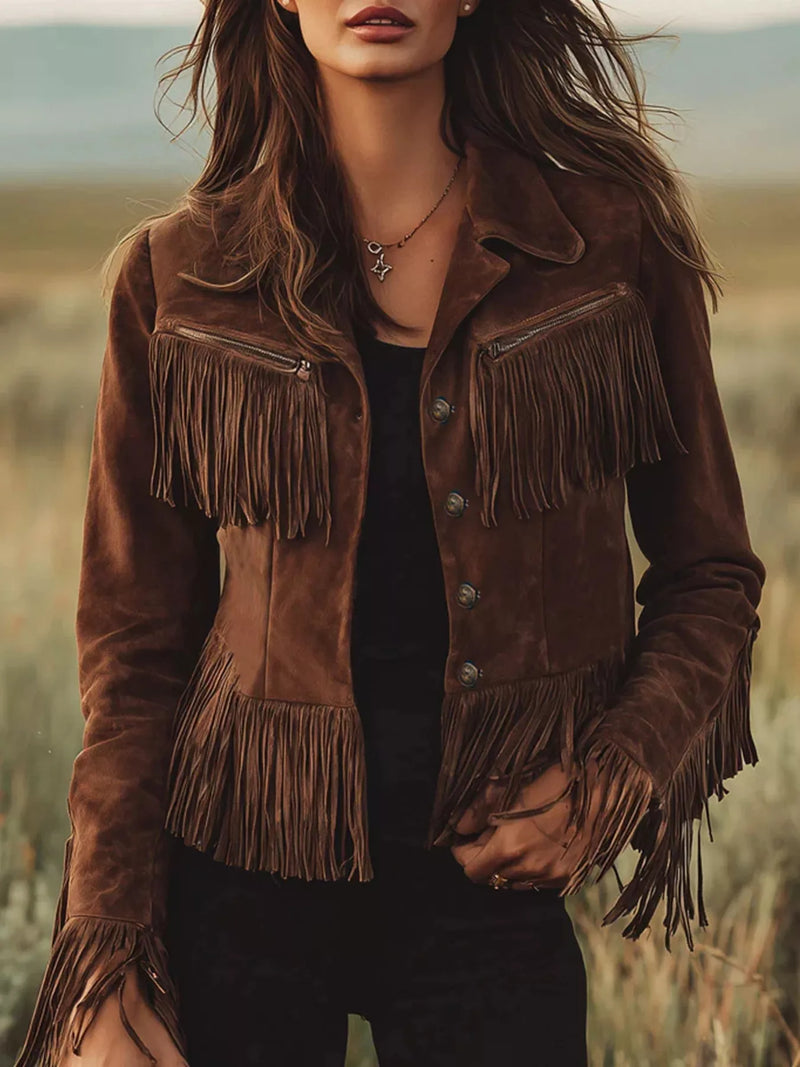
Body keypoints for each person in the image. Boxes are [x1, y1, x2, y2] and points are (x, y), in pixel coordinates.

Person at [14, 0, 766, 1065]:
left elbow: (709, 575)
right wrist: (104, 951)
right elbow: (134, 653)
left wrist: (609, 776)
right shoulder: (179, 278)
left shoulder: (602, 246)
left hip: (490, 887)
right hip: (234, 885)